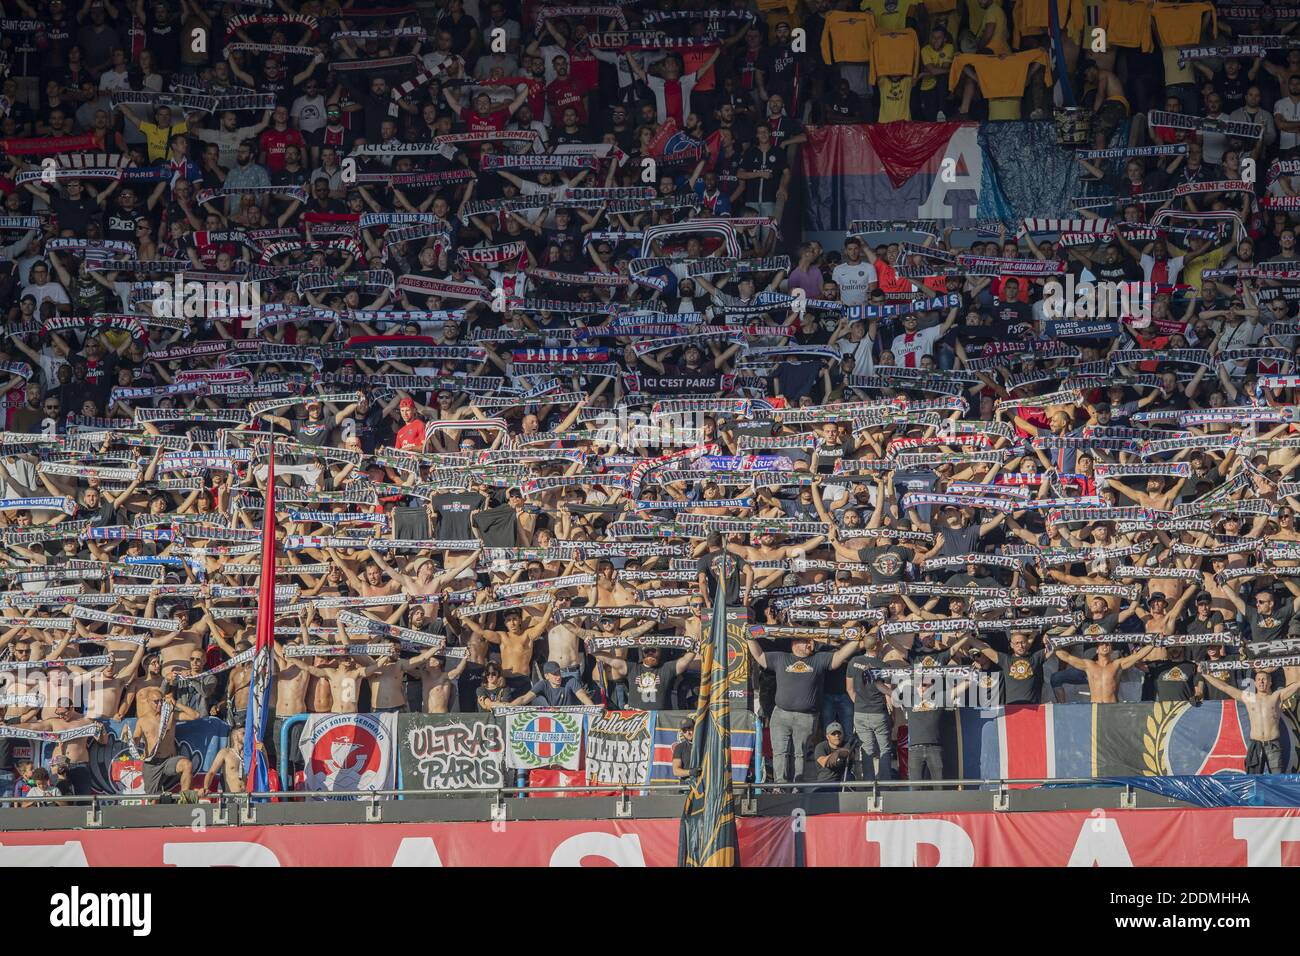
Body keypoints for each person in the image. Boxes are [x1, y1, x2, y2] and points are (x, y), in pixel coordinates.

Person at [1200, 670, 1300, 773]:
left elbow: (1297, 685)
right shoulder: (1249, 698)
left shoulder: (1277, 696)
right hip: (1256, 744)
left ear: (1270, 682)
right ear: (1255, 683)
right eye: (1259, 680)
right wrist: (1205, 675)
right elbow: (1225, 687)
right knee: (1253, 778)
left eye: (1264, 679)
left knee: (1277, 777)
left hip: (1273, 744)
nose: (1261, 682)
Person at [811, 722, 855, 792]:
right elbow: (823, 762)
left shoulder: (847, 745)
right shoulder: (821, 746)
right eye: (833, 734)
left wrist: (843, 752)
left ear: (843, 735)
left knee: (850, 778)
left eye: (839, 733)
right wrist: (836, 753)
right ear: (827, 736)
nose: (837, 736)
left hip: (844, 780)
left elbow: (851, 755)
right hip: (826, 781)